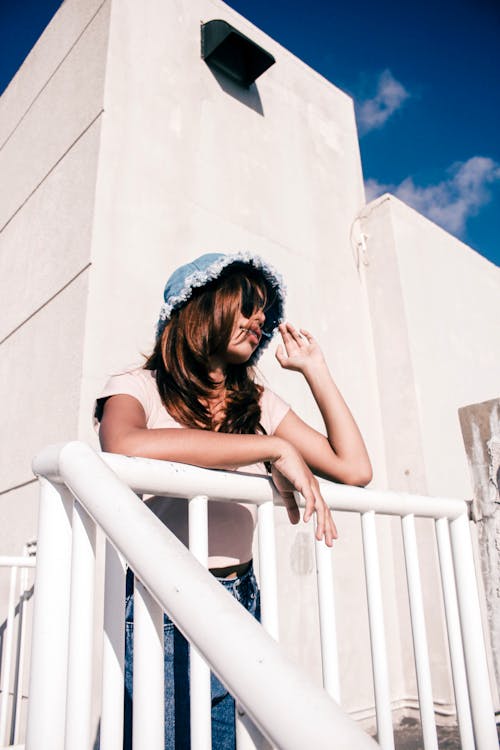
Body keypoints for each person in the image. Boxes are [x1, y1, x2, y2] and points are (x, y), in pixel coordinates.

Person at [95, 251, 372, 750]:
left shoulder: (257, 401)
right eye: (246, 306)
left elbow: (354, 468)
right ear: (201, 309)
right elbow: (123, 444)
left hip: (240, 596)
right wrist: (271, 447)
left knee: (217, 740)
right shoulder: (139, 386)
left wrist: (315, 370)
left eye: (263, 311)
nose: (259, 319)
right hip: (166, 601)